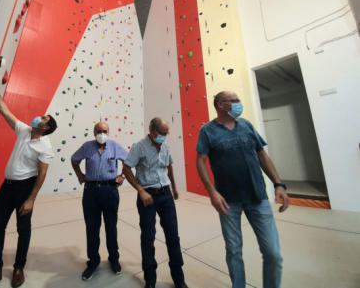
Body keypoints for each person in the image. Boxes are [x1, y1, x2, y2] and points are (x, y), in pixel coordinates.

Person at [196, 91, 289, 288]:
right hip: (228, 201)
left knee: (273, 252)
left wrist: (278, 184)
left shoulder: (246, 125)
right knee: (234, 250)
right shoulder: (208, 131)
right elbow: (201, 161)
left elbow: (262, 154)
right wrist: (212, 191)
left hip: (258, 197)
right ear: (221, 105)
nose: (239, 103)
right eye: (235, 100)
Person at [0, 81, 57, 288]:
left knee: (23, 229)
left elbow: (42, 174)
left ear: (45, 128)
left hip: (25, 189)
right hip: (6, 187)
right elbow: (4, 110)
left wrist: (31, 200)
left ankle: (19, 268)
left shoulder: (45, 146)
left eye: (43, 118)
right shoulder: (24, 130)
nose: (38, 117)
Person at [123, 118, 188, 288]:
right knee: (148, 237)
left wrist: (173, 187)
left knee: (173, 236)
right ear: (152, 131)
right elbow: (126, 168)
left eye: (166, 133)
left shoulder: (165, 146)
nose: (165, 136)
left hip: (165, 195)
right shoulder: (139, 146)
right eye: (162, 133)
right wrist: (141, 191)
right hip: (148, 196)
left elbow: (169, 166)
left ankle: (178, 278)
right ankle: (150, 280)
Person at [71, 121, 128, 280]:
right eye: (98, 131)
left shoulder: (115, 146)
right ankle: (93, 262)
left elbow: (129, 161)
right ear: (94, 132)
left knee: (111, 226)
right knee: (92, 228)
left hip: (110, 191)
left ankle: (114, 259)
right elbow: (74, 160)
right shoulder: (87, 147)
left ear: (108, 132)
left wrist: (122, 176)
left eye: (104, 130)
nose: (101, 133)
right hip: (91, 192)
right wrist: (79, 175)